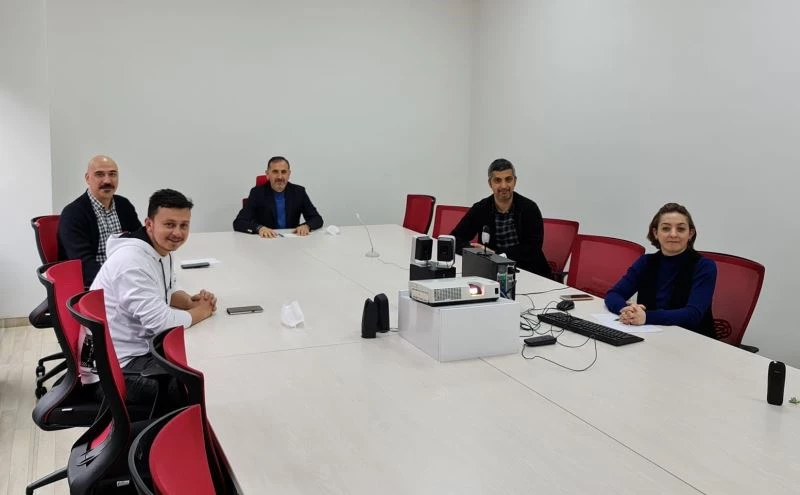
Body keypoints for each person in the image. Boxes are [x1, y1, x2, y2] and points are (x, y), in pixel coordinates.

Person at [89, 189, 216, 408]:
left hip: (138, 351)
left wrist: (189, 302)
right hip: (116, 371)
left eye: (184, 225)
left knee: (203, 362)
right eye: (169, 224)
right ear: (149, 224)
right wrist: (201, 312)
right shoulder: (131, 262)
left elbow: (169, 289)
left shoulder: (157, 250)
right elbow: (161, 323)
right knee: (198, 385)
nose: (177, 233)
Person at [604, 203, 717, 338]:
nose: (673, 234)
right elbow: (614, 294)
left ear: (690, 234)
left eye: (681, 229)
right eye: (666, 228)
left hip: (692, 340)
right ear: (655, 233)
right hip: (651, 336)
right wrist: (626, 310)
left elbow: (693, 314)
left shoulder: (704, 266)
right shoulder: (646, 262)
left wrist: (647, 317)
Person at [451, 158, 552, 278]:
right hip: (492, 272)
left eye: (508, 179)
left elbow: (532, 249)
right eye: (498, 180)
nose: (504, 186)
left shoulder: (529, 208)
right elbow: (455, 239)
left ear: (515, 181)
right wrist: (477, 252)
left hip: (530, 272)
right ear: (490, 183)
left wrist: (496, 254)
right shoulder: (481, 208)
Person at [58, 155, 142, 286]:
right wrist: (118, 283)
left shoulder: (124, 205)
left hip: (126, 277)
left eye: (112, 174)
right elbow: (83, 264)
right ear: (87, 178)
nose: (107, 180)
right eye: (99, 174)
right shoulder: (73, 214)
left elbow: (140, 244)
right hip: (95, 285)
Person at [233, 156, 323, 237]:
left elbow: (317, 218)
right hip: (266, 241)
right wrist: (259, 228)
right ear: (267, 174)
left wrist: (307, 226)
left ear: (289, 174)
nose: (280, 177)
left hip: (291, 241)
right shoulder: (257, 193)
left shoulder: (299, 192)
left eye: (283, 172)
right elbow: (239, 222)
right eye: (275, 172)